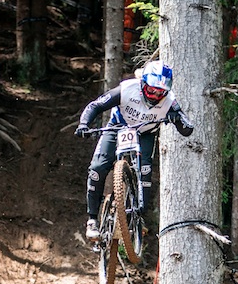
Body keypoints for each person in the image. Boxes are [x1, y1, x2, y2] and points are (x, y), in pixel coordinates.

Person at [75, 60, 195, 242]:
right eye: (152, 89)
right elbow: (95, 105)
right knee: (98, 168)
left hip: (145, 134)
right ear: (143, 84)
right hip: (118, 127)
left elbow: (187, 129)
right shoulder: (126, 89)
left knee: (145, 171)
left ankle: (139, 217)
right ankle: (92, 219)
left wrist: (176, 118)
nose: (155, 95)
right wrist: (84, 124)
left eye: (161, 92)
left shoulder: (170, 101)